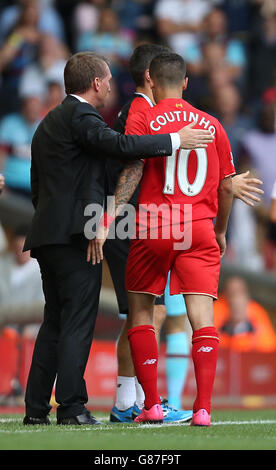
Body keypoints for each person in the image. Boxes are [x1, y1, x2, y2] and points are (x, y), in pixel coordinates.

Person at [22, 51, 214, 426]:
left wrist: (54, 221)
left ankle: (35, 410)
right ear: (95, 83)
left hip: (49, 232)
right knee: (78, 320)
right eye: (108, 80)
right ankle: (73, 408)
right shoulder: (82, 116)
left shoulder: (49, 122)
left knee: (56, 324)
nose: (111, 85)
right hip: (77, 235)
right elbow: (122, 147)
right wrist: (176, 140)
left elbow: (36, 183)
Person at [92, 52, 235, 426]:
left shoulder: (146, 118)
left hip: (155, 225)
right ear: (187, 82)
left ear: (151, 78)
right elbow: (226, 186)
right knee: (201, 320)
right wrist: (220, 231)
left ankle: (151, 404)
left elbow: (133, 168)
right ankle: (203, 409)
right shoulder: (212, 124)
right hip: (200, 228)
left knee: (141, 313)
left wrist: (109, 217)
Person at [103, 44, 192, 423]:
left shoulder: (140, 110)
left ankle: (135, 398)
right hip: (131, 222)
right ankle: (130, 402)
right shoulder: (140, 111)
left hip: (137, 221)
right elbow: (132, 166)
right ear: (152, 77)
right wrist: (111, 218)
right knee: (144, 314)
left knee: (145, 315)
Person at [214, 276, 276, 352]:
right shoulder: (218, 308)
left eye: (239, 291)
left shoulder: (257, 312)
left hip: (250, 357)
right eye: (232, 292)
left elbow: (269, 347)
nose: (236, 298)